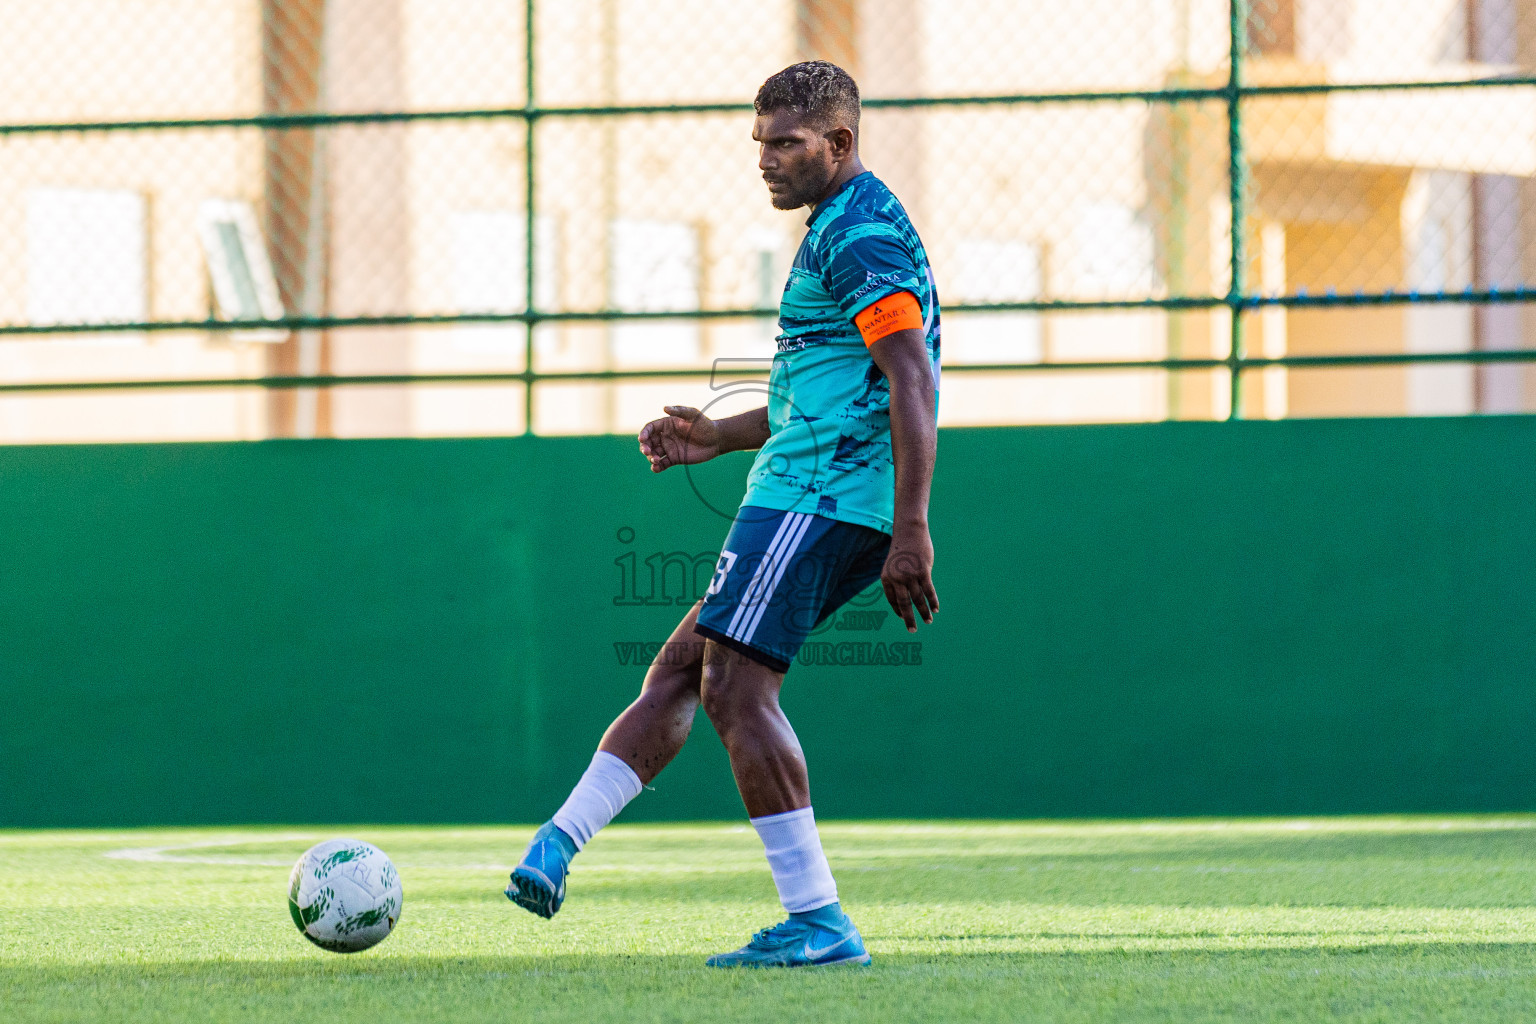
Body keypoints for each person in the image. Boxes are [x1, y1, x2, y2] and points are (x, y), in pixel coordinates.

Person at [505, 60, 941, 969]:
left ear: (840, 143)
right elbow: (828, 395)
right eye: (760, 144)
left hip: (817, 502)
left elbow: (910, 376)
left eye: (786, 144)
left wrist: (912, 527)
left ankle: (818, 921)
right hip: (803, 490)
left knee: (736, 690)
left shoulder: (858, 235)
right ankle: (556, 845)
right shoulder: (837, 228)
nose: (768, 161)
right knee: (680, 670)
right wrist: (716, 434)